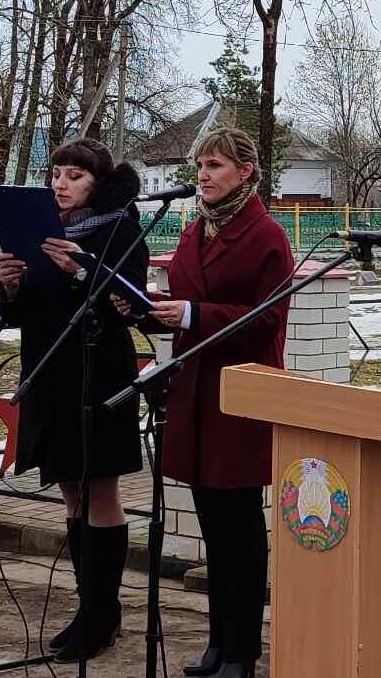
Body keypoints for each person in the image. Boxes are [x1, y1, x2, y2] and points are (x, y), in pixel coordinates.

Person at [119, 127, 293, 678]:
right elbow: (184, 304)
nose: (202, 175)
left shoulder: (267, 235)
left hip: (240, 395)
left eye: (214, 165)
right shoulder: (196, 229)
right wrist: (143, 308)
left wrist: (192, 314)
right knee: (213, 531)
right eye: (200, 166)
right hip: (194, 391)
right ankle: (218, 644)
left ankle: (243, 651)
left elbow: (266, 320)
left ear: (245, 171)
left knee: (241, 530)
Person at [0, 138, 147, 662]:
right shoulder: (40, 231)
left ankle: (102, 615)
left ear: (96, 184)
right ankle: (89, 608)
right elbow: (21, 314)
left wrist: (80, 270)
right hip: (49, 373)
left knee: (99, 492)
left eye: (75, 175)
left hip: (98, 375)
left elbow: (132, 306)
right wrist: (11, 288)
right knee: (71, 495)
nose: (61, 183)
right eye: (57, 173)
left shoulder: (120, 228)